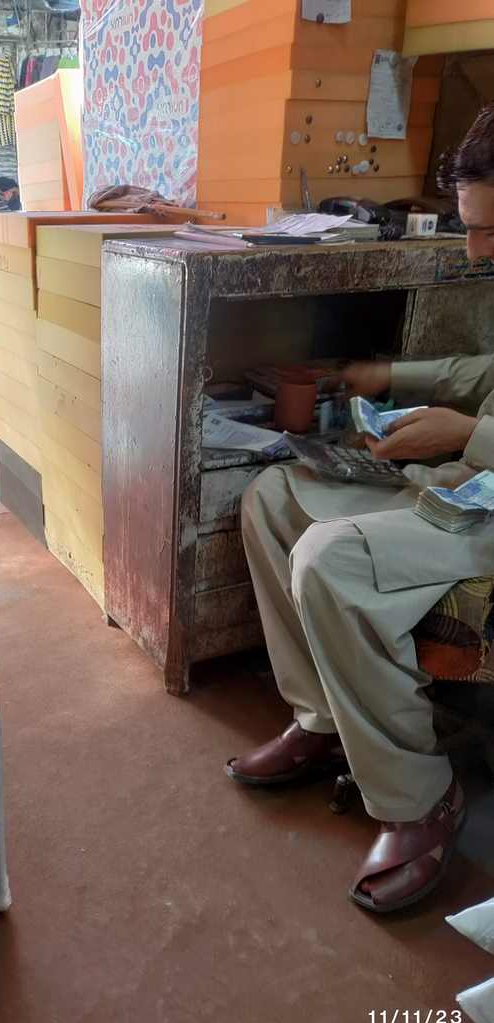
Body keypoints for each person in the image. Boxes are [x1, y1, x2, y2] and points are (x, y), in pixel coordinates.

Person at [226, 103, 494, 915]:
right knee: (274, 496)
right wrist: (390, 378)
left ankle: (419, 798)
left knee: (330, 558)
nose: (476, 250)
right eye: (471, 228)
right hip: (467, 484)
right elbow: (484, 373)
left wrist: (469, 434)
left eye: (491, 232)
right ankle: (322, 722)